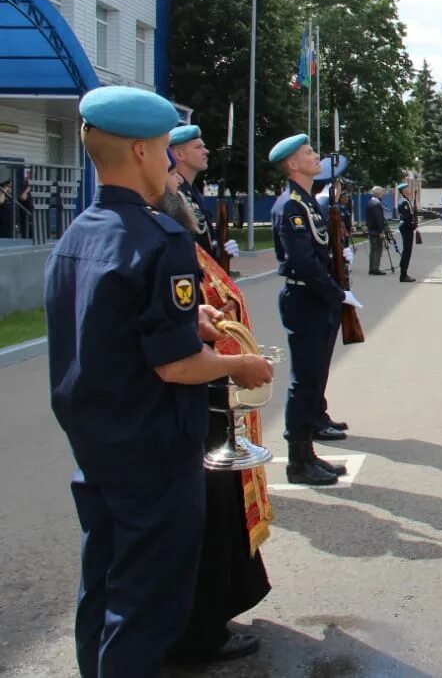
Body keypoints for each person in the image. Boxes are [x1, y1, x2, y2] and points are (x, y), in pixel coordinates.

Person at [45, 86, 273, 677]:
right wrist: (240, 365)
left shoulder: (77, 235)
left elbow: (112, 327)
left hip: (96, 445)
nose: (172, 162)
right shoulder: (162, 238)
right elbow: (177, 367)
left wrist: (182, 320)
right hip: (154, 449)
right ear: (144, 152)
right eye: (165, 151)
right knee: (146, 605)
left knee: (102, 587)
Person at [158, 158, 270, 666]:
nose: (178, 183)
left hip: (204, 397)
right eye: (171, 171)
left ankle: (209, 617)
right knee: (203, 515)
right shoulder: (161, 243)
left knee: (214, 511)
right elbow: (169, 354)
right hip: (192, 402)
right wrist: (238, 362)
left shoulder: (175, 238)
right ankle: (198, 632)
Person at [269, 133, 360, 486]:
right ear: (293, 164)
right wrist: (338, 293)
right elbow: (303, 263)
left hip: (317, 299)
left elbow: (320, 251)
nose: (316, 156)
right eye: (309, 153)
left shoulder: (306, 202)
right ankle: (297, 461)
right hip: (306, 299)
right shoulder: (291, 205)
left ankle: (308, 453)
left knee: (315, 378)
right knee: (304, 382)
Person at [169, 124, 239, 261]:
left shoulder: (192, 191)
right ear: (179, 154)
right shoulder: (173, 193)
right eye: (198, 147)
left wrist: (219, 249)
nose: (206, 151)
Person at [396, 182, 419, 282]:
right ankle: (403, 275)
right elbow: (407, 218)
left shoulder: (406, 200)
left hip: (406, 227)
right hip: (406, 227)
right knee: (407, 251)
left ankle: (404, 273)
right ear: (404, 190)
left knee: (407, 251)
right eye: (408, 188)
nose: (410, 189)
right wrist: (413, 224)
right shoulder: (404, 202)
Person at [366, 186, 387, 275]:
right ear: (378, 193)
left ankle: (372, 268)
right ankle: (375, 268)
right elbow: (379, 219)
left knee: (373, 249)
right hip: (376, 231)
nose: (383, 195)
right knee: (378, 249)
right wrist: (381, 231)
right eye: (382, 193)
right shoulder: (377, 204)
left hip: (371, 229)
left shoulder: (371, 202)